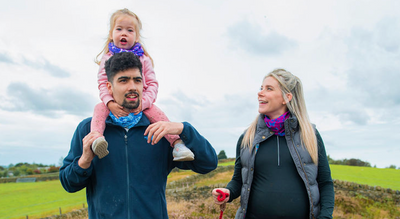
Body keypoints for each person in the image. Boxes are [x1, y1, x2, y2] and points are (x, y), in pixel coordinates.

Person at [59, 52, 218, 218]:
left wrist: (183, 129)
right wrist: (84, 160)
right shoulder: (89, 130)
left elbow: (208, 164)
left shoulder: (161, 129)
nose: (132, 87)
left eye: (137, 80)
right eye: (123, 80)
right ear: (109, 87)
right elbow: (68, 184)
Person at [212, 69, 334, 219]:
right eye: (261, 88)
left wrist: (325, 217)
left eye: (269, 88)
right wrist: (228, 192)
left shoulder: (310, 135)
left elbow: (325, 183)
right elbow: (238, 180)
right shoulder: (247, 137)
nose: (260, 93)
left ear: (286, 97)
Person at [90, 8, 194, 161]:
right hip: (114, 103)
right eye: (119, 29)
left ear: (137, 36)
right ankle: (96, 139)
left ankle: (177, 143)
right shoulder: (107, 58)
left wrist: (144, 103)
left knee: (159, 116)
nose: (124, 33)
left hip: (140, 103)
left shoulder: (143, 59)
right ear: (111, 34)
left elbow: (152, 84)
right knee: (99, 109)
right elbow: (102, 83)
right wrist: (109, 102)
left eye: (129, 30)